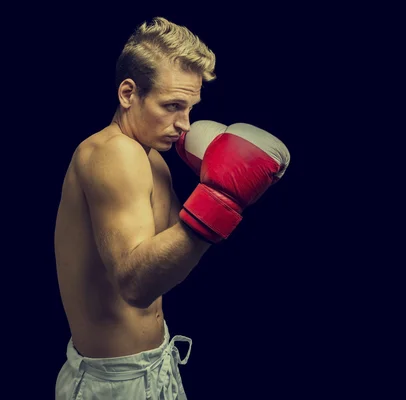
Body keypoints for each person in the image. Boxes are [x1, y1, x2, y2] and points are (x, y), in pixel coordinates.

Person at [54, 16, 290, 399]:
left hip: (154, 365)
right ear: (128, 94)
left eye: (190, 108)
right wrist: (222, 201)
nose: (185, 124)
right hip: (115, 384)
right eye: (172, 106)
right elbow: (135, 285)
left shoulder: (153, 160)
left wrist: (215, 186)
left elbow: (169, 264)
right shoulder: (113, 153)